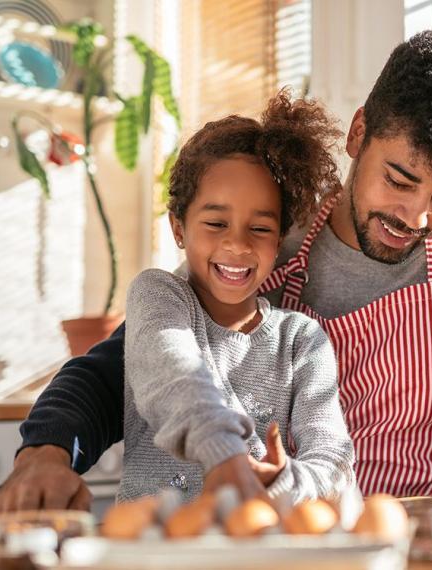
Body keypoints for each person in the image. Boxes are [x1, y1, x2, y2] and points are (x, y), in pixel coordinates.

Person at [0, 29, 432, 511]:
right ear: (358, 132)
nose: (412, 217)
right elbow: (123, 367)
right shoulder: (266, 240)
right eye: (399, 180)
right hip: (298, 542)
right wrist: (46, 452)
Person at [118, 91, 354, 504]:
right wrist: (224, 453)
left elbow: (333, 459)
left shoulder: (301, 339)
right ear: (179, 228)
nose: (237, 244)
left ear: (280, 238)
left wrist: (283, 478)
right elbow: (175, 376)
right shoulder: (157, 297)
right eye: (215, 222)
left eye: (260, 229)